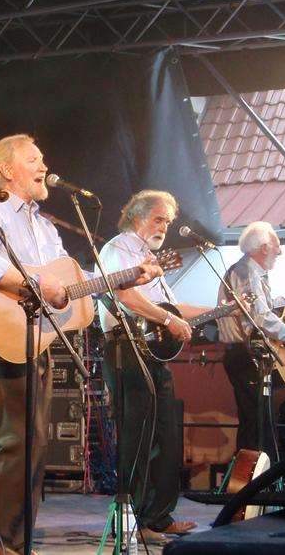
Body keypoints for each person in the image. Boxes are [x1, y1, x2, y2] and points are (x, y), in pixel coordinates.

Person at [0, 134, 161, 555]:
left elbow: (70, 286)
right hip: (3, 333)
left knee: (35, 445)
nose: (43, 164)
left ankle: (18, 541)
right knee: (20, 441)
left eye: (42, 156)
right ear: (8, 171)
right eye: (33, 158)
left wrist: (128, 277)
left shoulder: (47, 226)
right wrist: (32, 281)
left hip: (38, 339)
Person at [98, 189, 210, 541]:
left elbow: (171, 309)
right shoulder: (118, 248)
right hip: (126, 346)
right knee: (138, 437)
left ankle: (158, 517)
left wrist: (220, 310)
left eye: (168, 221)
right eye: (158, 218)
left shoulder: (149, 257)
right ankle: (133, 522)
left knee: (165, 434)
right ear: (136, 215)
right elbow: (126, 297)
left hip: (151, 350)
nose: (165, 226)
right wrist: (169, 319)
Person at [217, 221, 285, 456]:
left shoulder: (252, 272)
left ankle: (259, 481)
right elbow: (259, 315)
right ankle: (249, 485)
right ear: (263, 248)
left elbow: (264, 306)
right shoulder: (244, 272)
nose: (279, 252)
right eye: (277, 246)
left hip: (251, 355)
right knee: (255, 423)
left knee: (261, 422)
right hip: (244, 354)